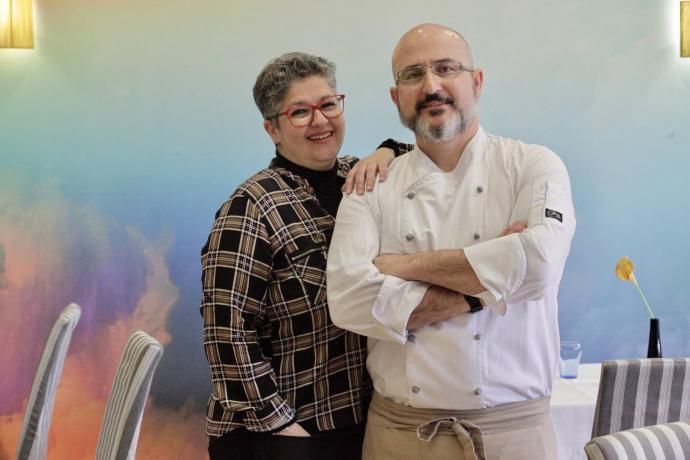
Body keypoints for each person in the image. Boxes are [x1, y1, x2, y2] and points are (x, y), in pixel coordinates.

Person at [327, 23, 576, 460]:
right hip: (399, 437)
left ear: (476, 82)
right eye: (412, 75)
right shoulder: (370, 185)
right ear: (396, 96)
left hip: (514, 435)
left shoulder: (533, 165)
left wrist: (401, 266)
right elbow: (348, 299)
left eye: (446, 68)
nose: (431, 85)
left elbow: (537, 267)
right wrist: (491, 284)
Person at [200, 52, 406, 460]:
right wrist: (280, 425)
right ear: (272, 129)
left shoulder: (360, 178)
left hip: (358, 420)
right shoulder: (250, 208)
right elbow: (226, 332)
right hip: (285, 433)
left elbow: (428, 155)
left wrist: (388, 151)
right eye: (299, 112)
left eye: (328, 104)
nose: (320, 120)